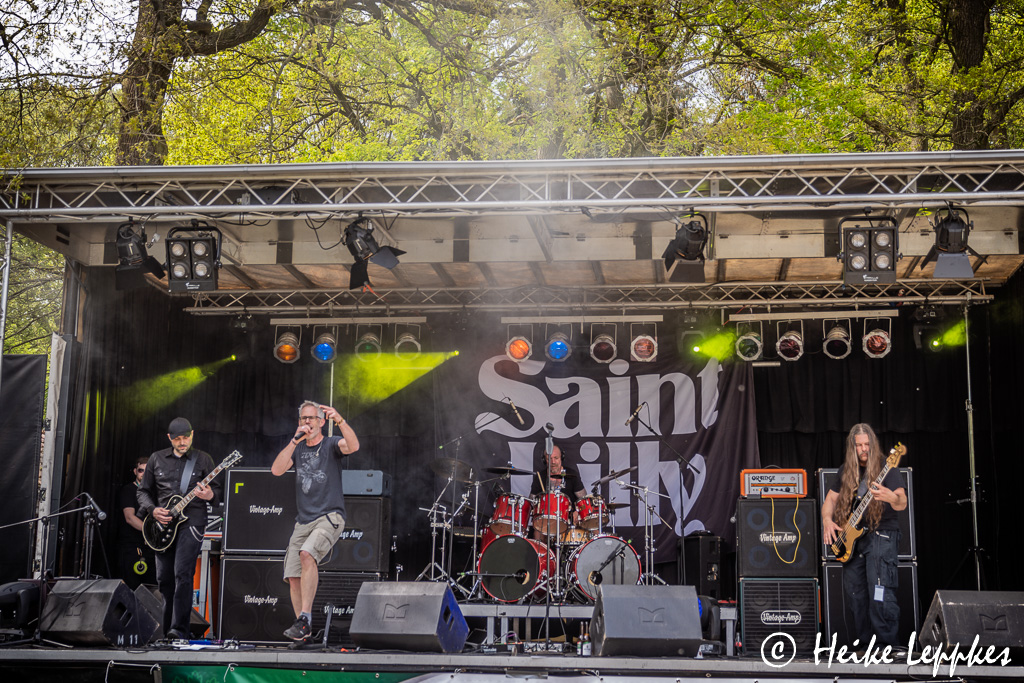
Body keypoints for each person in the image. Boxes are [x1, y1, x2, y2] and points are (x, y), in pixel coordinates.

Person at [272, 400, 359, 642]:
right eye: (303, 418)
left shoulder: (331, 444)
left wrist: (340, 420)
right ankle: (304, 633)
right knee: (293, 574)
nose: (307, 422)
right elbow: (276, 470)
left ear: (321, 422)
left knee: (306, 554)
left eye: (311, 418)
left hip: (329, 516)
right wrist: (294, 441)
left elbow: (353, 446)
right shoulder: (298, 448)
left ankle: (305, 618)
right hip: (303, 520)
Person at [821, 423, 907, 648]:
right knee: (856, 595)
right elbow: (830, 500)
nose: (864, 449)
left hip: (881, 535)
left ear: (873, 444)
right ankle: (865, 647)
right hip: (854, 541)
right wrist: (827, 520)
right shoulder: (845, 470)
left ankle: (887, 646)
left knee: (879, 590)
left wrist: (891, 497)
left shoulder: (887, 467)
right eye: (859, 445)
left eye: (867, 444)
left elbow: (902, 502)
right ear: (853, 447)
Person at [136, 418, 221, 640]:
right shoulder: (156, 459)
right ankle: (166, 632)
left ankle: (179, 630)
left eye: (186, 437)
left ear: (192, 435)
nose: (182, 442)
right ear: (169, 438)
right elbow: (143, 492)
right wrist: (153, 510)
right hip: (163, 524)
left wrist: (209, 495)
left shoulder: (203, 459)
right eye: (177, 439)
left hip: (192, 522)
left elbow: (219, 494)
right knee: (164, 579)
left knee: (183, 573)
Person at [529, 443, 587, 542]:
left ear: (561, 458)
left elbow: (584, 499)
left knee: (590, 525)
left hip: (568, 518)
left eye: (556, 458)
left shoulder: (572, 475)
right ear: (544, 460)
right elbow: (532, 500)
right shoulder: (540, 477)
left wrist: (577, 511)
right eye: (549, 459)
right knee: (537, 530)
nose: (553, 462)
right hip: (547, 518)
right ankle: (541, 551)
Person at [117, 455, 155, 588]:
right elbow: (129, 518)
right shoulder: (129, 490)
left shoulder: (156, 492)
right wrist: (150, 531)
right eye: (140, 470)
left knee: (152, 588)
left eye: (147, 470)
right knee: (133, 587)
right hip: (133, 548)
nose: (143, 473)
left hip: (152, 548)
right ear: (135, 471)